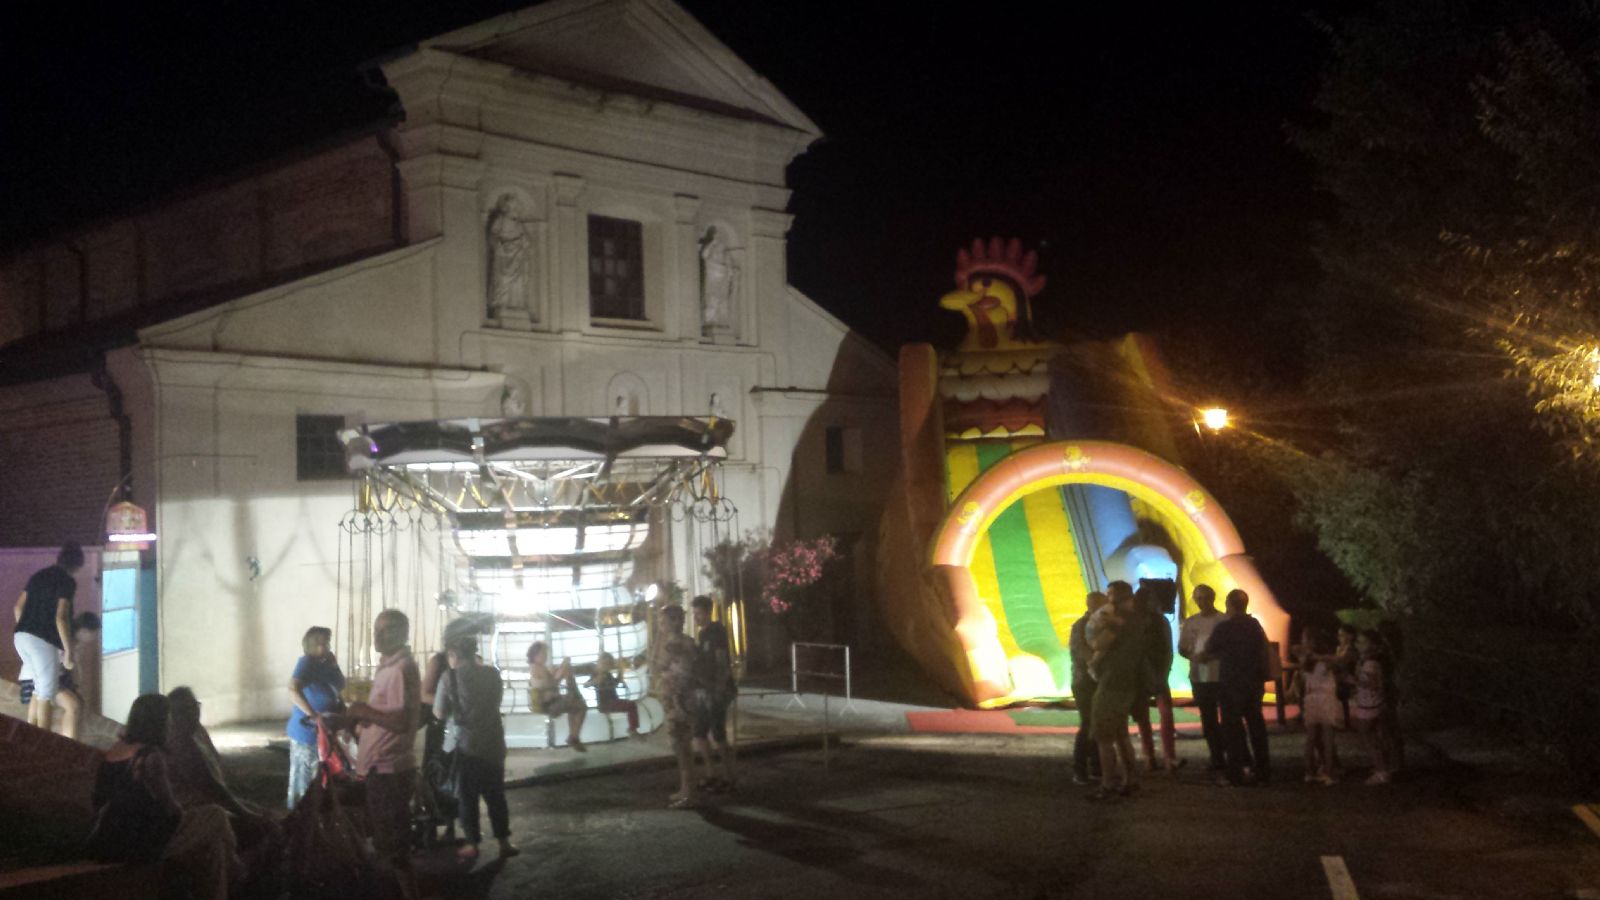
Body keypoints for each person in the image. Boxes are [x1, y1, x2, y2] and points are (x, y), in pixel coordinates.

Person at [86, 693, 239, 900]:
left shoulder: (114, 751)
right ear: (159, 722)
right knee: (216, 815)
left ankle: (225, 878)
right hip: (141, 842)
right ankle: (236, 866)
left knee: (213, 848)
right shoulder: (151, 757)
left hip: (109, 839)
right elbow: (171, 808)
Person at [345, 609, 422, 900]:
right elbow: (387, 715)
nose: (378, 635)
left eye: (386, 629)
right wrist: (360, 722)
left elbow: (401, 722)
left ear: (402, 633)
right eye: (376, 629)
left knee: (393, 845)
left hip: (390, 770)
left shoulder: (400, 669)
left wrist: (364, 711)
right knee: (386, 840)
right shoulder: (388, 667)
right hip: (380, 767)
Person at [433, 636, 519, 862]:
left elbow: (439, 713)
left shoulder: (449, 677)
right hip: (493, 743)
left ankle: (472, 844)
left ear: (453, 655)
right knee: (496, 795)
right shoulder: (492, 674)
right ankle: (504, 842)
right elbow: (496, 702)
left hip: (465, 746)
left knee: (467, 798)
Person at [13, 542, 84, 739]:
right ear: (77, 565)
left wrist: (28, 627)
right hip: (42, 641)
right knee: (46, 694)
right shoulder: (67, 581)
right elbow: (61, 617)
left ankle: (30, 738)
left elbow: (18, 607)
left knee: (38, 691)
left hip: (21, 636)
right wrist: (68, 651)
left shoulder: (39, 575)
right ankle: (42, 742)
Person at [1202, 589, 1272, 786]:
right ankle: (1263, 770)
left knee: (1232, 728)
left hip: (1231, 683)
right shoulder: (1254, 625)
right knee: (1256, 726)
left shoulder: (1225, 627)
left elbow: (1209, 648)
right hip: (1253, 682)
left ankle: (1236, 772)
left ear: (1229, 604)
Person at [1087, 581, 1144, 800]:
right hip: (1129, 681)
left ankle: (1108, 784)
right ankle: (1130, 779)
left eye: (1109, 594)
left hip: (1112, 681)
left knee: (1104, 737)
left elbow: (1099, 644)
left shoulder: (1118, 621)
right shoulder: (1138, 620)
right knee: (1121, 734)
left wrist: (1101, 629)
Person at [285, 626, 346, 809]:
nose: (327, 646)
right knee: (305, 779)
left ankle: (316, 813)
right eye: (323, 643)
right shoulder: (306, 663)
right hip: (308, 732)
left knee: (322, 775)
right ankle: (301, 814)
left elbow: (340, 685)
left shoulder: (325, 663)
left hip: (326, 732)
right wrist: (313, 715)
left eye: (328, 642)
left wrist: (334, 665)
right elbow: (293, 689)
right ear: (312, 646)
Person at [652, 605, 703, 809]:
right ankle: (686, 789)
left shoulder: (675, 645)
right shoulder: (687, 642)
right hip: (680, 699)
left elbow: (657, 665)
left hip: (679, 700)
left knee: (682, 747)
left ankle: (690, 793)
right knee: (682, 747)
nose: (661, 626)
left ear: (675, 621)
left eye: (663, 622)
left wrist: (658, 641)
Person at [1131, 581, 1180, 773]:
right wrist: (1165, 671)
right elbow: (1168, 649)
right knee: (1164, 713)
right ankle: (1168, 756)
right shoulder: (1160, 621)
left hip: (1141, 673)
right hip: (1156, 671)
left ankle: (1149, 756)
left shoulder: (1133, 621)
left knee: (1145, 716)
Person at [1177, 584, 1226, 772]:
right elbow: (1182, 648)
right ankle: (1216, 757)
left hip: (1220, 674)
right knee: (1208, 718)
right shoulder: (1191, 622)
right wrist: (1193, 656)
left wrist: (1213, 655)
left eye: (1205, 598)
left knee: (1227, 717)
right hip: (1199, 675)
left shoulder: (1223, 620)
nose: (1202, 602)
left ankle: (1230, 754)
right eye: (1199, 599)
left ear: (1213, 598)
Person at [690, 595, 737, 791]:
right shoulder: (703, 634)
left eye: (699, 613)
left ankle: (728, 776)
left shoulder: (716, 632)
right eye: (694, 614)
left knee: (718, 734)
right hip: (705, 689)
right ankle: (711, 774)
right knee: (699, 732)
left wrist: (719, 687)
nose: (696, 618)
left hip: (716, 689)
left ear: (708, 612)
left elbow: (721, 661)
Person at [1068, 591, 1108, 785]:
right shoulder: (1082, 625)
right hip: (1084, 681)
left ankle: (1095, 766)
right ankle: (1081, 768)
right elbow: (1082, 651)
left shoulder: (1095, 624)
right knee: (1088, 724)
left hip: (1089, 679)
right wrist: (1096, 662)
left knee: (1094, 723)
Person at [1350, 629, 1394, 785]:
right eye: (1358, 641)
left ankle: (1382, 771)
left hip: (1370, 704)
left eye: (1362, 642)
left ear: (1372, 644)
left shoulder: (1370, 663)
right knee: (1376, 738)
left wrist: (1352, 681)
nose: (1358, 644)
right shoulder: (1368, 660)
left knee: (1369, 739)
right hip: (1373, 703)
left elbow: (1372, 684)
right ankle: (1383, 767)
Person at [1299, 629, 1343, 785]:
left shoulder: (1305, 660)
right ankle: (1329, 773)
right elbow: (1339, 661)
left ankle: (1309, 772)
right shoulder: (1326, 661)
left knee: (1311, 738)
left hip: (1311, 698)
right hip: (1326, 698)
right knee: (1327, 737)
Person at [526, 641, 588, 751]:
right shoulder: (538, 668)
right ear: (535, 655)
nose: (545, 656)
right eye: (543, 653)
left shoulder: (538, 667)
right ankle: (574, 737)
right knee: (581, 705)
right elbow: (553, 684)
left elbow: (550, 683)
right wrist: (562, 671)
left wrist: (559, 670)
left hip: (551, 701)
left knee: (575, 707)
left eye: (545, 653)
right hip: (550, 705)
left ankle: (574, 736)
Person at [589, 651, 641, 738]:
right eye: (607, 663)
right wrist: (596, 680)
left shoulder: (607, 674)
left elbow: (614, 684)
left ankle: (632, 729)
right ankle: (632, 730)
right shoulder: (597, 673)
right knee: (631, 705)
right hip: (605, 704)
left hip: (612, 701)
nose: (609, 666)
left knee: (631, 705)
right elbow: (586, 684)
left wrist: (620, 673)